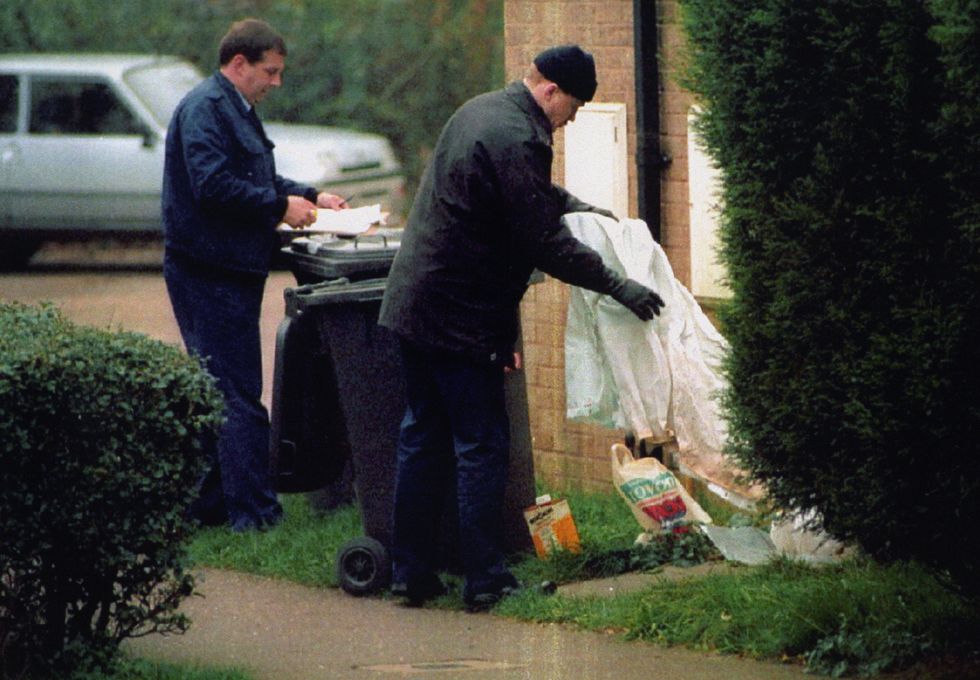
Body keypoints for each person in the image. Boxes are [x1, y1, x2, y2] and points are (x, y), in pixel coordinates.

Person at [378, 45, 665, 609]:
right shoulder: (519, 134)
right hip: (459, 317)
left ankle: (411, 573)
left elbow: (521, 198)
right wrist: (617, 285)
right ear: (550, 90)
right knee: (481, 445)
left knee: (423, 438)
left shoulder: (483, 111)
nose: (573, 118)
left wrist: (577, 205)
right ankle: (485, 580)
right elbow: (543, 241)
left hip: (416, 304)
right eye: (574, 107)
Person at [162, 18, 347, 532]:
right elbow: (213, 185)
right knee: (238, 393)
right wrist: (277, 206)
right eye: (270, 72)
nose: (276, 83)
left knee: (220, 388)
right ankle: (256, 516)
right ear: (238, 64)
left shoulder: (232, 109)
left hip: (228, 269)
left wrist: (309, 196)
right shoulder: (206, 109)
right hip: (209, 271)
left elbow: (256, 175)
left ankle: (209, 508)